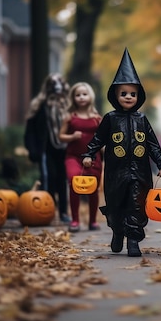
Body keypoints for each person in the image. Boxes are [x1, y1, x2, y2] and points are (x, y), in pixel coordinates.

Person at [82, 48, 161, 257]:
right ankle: (118, 231)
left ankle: (133, 241)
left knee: (136, 204)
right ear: (115, 95)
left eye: (133, 94)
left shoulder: (142, 119)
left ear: (138, 96)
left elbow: (152, 143)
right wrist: (89, 154)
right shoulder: (110, 119)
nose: (128, 97)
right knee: (117, 203)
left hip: (140, 171)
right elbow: (98, 138)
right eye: (124, 93)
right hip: (115, 172)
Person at [24, 73, 71, 223]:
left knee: (63, 180)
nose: (56, 87)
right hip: (46, 149)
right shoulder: (39, 105)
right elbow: (30, 131)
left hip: (66, 149)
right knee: (49, 178)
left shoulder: (68, 105)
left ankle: (63, 212)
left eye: (59, 83)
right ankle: (49, 210)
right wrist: (32, 150)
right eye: (53, 84)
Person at [59, 82, 102, 233]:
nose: (81, 97)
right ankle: (75, 220)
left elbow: (103, 139)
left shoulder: (98, 119)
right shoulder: (70, 117)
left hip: (94, 158)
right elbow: (61, 136)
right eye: (78, 95)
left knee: (93, 189)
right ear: (73, 98)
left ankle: (93, 221)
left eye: (84, 94)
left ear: (90, 96)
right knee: (74, 182)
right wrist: (72, 136)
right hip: (73, 157)